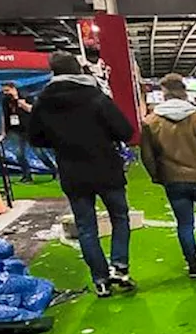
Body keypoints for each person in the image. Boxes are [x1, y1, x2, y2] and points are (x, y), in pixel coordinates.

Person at [28, 51, 137, 298]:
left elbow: (34, 137)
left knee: (86, 228)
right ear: (78, 69)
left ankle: (100, 280)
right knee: (119, 217)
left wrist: (61, 140)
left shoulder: (44, 101)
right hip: (106, 169)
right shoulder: (95, 97)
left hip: (72, 172)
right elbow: (125, 131)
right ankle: (120, 267)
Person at [140, 74, 196, 279]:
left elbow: (147, 156)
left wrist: (156, 176)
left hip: (173, 180)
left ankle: (193, 266)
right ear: (184, 92)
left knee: (184, 223)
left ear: (164, 94)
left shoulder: (151, 122)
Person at [1, 82, 35, 182]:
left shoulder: (25, 96)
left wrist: (20, 102)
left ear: (13, 88)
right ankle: (27, 175)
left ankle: (53, 170)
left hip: (28, 129)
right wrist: (3, 131)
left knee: (39, 152)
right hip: (15, 130)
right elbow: (4, 115)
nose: (5, 93)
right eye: (3, 91)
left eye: (7, 90)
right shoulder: (5, 101)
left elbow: (31, 110)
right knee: (19, 153)